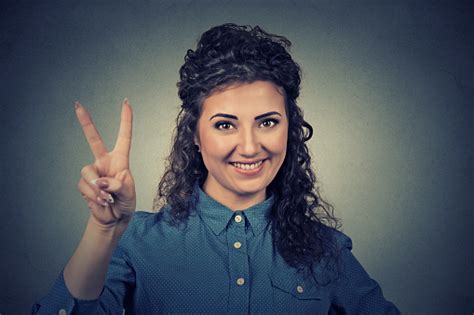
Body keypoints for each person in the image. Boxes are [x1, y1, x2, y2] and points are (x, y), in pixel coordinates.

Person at [32, 23, 400, 314]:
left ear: (290, 128)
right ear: (194, 134)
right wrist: (102, 229)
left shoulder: (327, 250)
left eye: (268, 122)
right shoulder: (135, 243)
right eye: (225, 124)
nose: (251, 146)